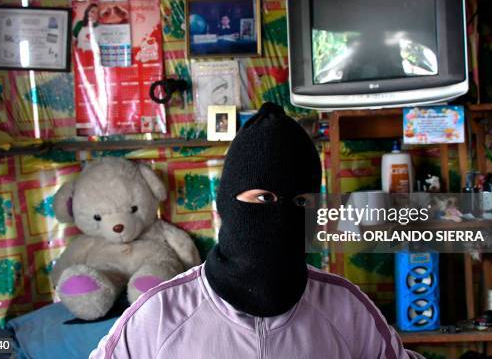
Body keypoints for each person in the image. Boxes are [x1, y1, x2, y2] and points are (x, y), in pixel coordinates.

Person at [90, 102, 422, 359]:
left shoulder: (345, 308)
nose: (281, 214)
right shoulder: (161, 314)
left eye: (300, 202)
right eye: (264, 197)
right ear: (226, 204)